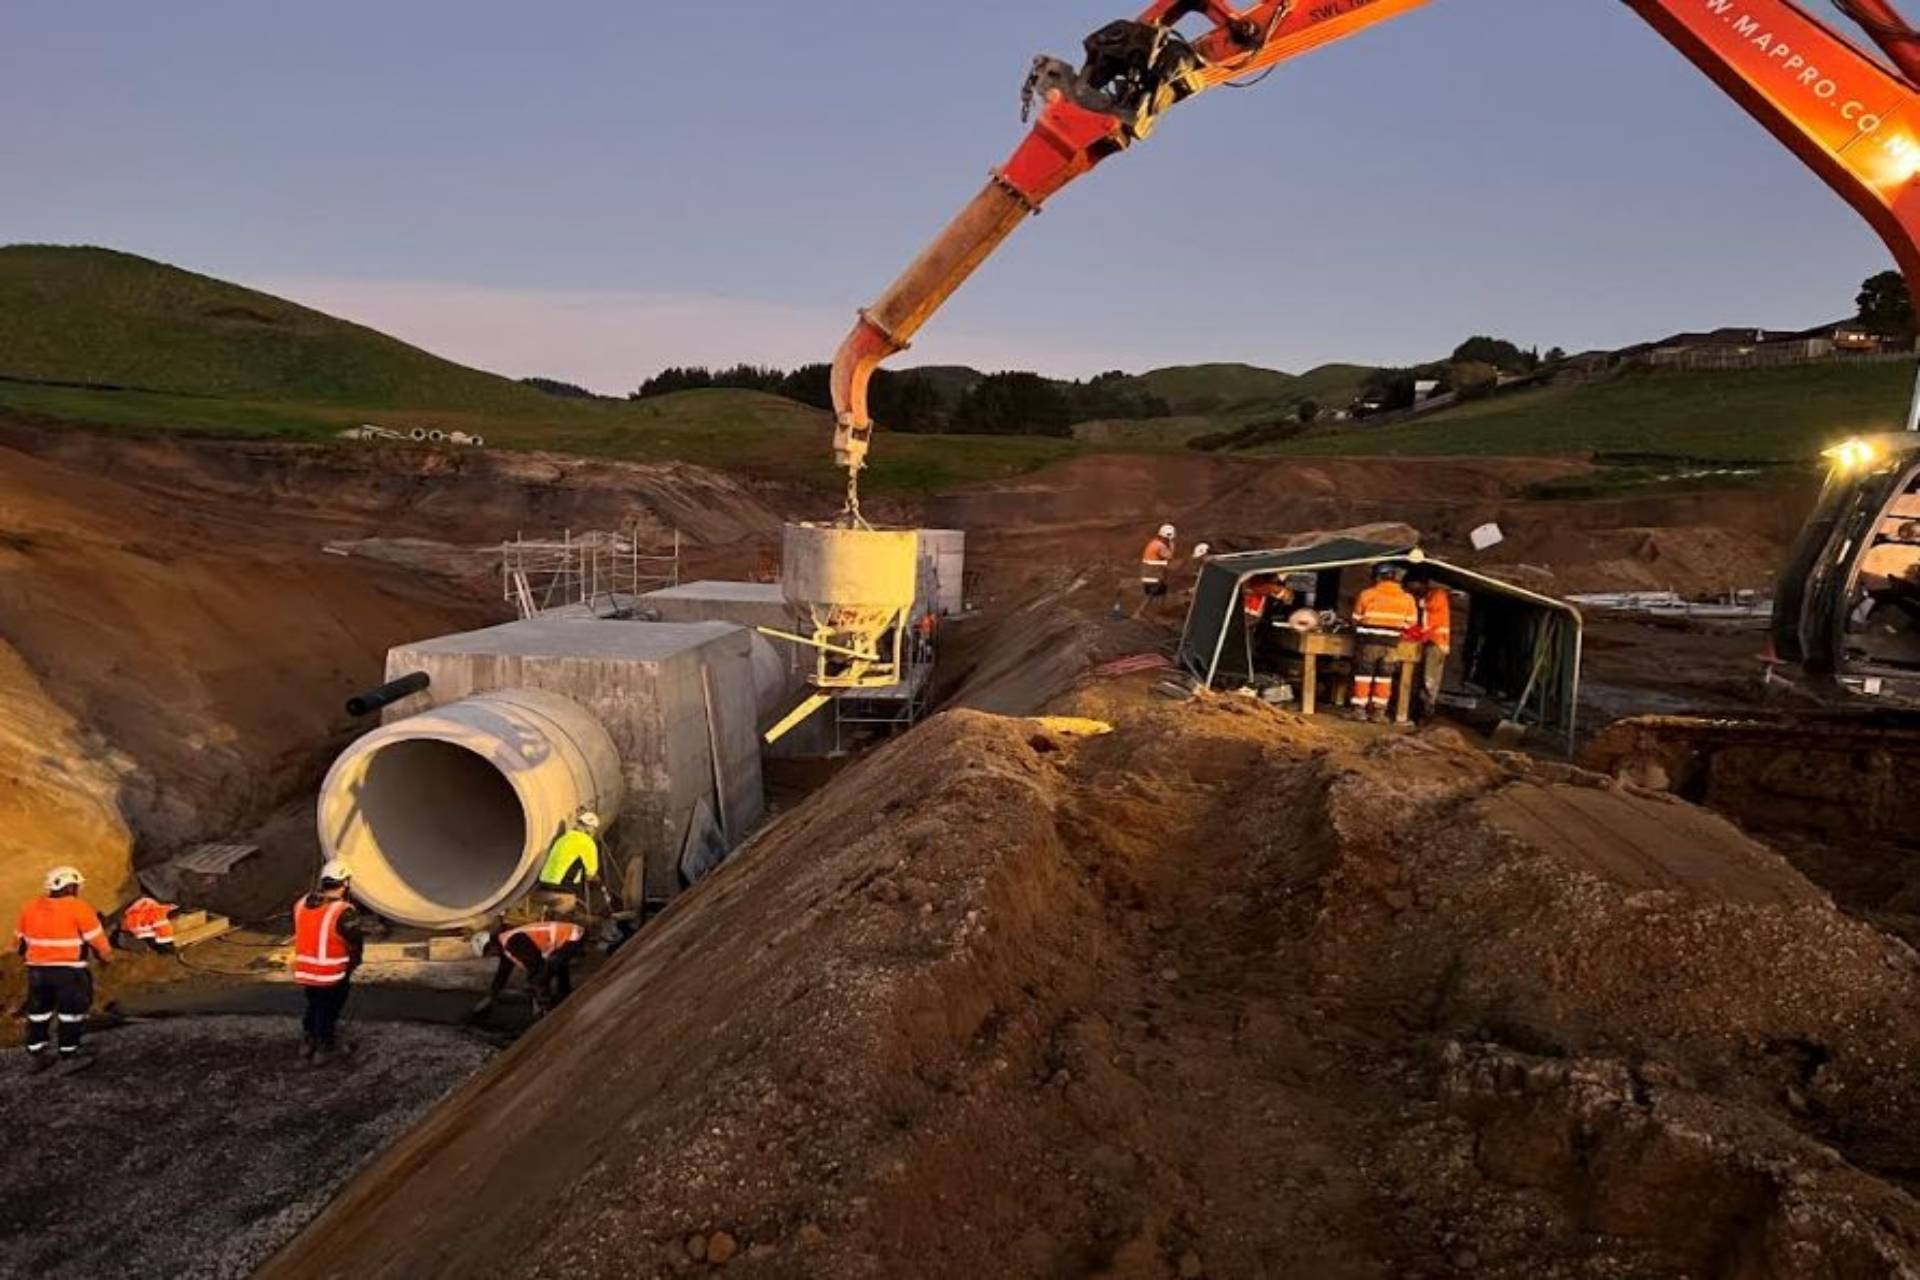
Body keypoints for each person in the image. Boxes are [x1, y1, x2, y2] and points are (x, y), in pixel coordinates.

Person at [15, 866, 112, 1074]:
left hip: (37, 971)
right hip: (69, 971)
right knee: (71, 1013)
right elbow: (97, 941)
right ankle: (69, 1052)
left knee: (39, 1012)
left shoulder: (31, 907)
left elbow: (21, 942)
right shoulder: (79, 908)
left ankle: (37, 1052)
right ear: (72, 886)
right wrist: (106, 958)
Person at [291, 858, 364, 1063]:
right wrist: (355, 962)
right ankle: (324, 1046)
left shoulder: (301, 904)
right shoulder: (343, 911)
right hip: (332, 972)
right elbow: (354, 941)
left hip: (306, 970)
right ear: (345, 883)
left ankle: (308, 1040)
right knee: (329, 1007)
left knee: (314, 1004)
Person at [468, 920, 587, 1020]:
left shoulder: (513, 942)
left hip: (572, 937)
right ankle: (564, 997)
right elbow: (502, 974)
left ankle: (548, 1013)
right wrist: (491, 996)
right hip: (568, 938)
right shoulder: (505, 945)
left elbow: (536, 965)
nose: (491, 955)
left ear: (490, 945)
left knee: (539, 978)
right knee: (554, 966)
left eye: (488, 953)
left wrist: (534, 993)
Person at [1348, 563, 1419, 724]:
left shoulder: (1366, 594)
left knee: (1363, 676)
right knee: (1384, 678)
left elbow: (1356, 619)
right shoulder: (1407, 599)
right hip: (1391, 645)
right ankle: (1379, 713)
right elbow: (1411, 623)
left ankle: (1359, 711)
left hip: (1369, 643)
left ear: (1378, 577)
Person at [535, 809, 608, 919]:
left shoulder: (563, 838)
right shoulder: (587, 842)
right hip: (562, 886)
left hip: (543, 883)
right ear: (591, 829)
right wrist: (599, 884)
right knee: (573, 911)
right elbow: (591, 874)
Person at [1406, 571, 1454, 720]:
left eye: (1410, 586)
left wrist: (1411, 599)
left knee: (1429, 679)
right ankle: (1419, 711)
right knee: (1423, 678)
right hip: (1428, 641)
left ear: (1419, 583)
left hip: (1436, 643)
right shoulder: (1427, 596)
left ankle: (1426, 713)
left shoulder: (1437, 595)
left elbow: (1427, 610)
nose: (1409, 589)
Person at [1133, 524, 1177, 618]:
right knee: (1152, 594)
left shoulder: (1154, 542)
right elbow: (1169, 556)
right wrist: (1172, 544)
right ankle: (1139, 613)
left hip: (1150, 573)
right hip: (1153, 575)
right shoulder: (1160, 546)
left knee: (1161, 591)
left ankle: (1158, 612)